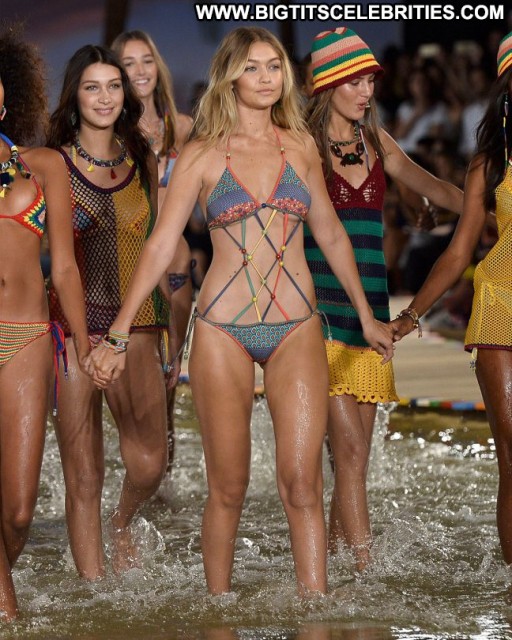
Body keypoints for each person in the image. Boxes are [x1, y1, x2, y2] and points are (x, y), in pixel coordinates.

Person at [90, 26, 395, 596]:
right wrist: (118, 332)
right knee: (227, 489)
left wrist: (366, 316)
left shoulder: (300, 146)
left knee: (302, 484)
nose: (265, 78)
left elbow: (330, 233)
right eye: (252, 67)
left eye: (274, 66)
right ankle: (219, 615)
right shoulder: (203, 152)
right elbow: (161, 243)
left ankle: (316, 610)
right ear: (230, 76)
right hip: (222, 330)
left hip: (297, 326)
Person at [304, 27, 464, 571]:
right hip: (321, 317)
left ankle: (329, 572)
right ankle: (366, 578)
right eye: (355, 81)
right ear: (329, 85)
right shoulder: (304, 148)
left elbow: (442, 192)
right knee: (349, 455)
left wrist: (494, 208)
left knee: (353, 465)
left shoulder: (377, 142)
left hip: (370, 319)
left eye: (371, 80)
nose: (367, 91)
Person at [46, 44, 177, 580]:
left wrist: (169, 326)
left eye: (113, 86)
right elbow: (58, 263)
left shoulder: (142, 158)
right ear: (74, 97)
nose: (104, 97)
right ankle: (93, 588)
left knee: (150, 462)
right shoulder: (52, 164)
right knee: (83, 475)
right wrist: (85, 346)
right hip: (71, 330)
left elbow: (156, 248)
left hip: (137, 325)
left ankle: (121, 522)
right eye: (92, 87)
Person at [391, 32, 512, 564]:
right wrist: (410, 314)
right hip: (500, 306)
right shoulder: (489, 163)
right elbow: (459, 250)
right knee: (511, 456)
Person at [0, 26, 90, 620]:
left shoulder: (45, 168)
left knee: (18, 510)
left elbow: (66, 269)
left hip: (29, 338)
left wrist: (85, 346)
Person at [111, 29, 194, 472]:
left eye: (146, 60)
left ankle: (165, 485)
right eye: (129, 63)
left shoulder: (184, 128)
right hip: (130, 271)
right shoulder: (111, 133)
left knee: (169, 384)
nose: (140, 71)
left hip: (177, 268)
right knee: (133, 385)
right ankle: (139, 476)